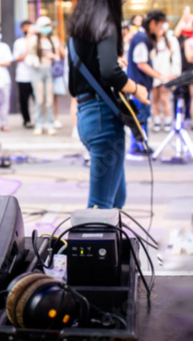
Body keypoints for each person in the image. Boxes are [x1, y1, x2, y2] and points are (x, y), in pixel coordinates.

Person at [68, 0, 149, 209]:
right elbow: (109, 71)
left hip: (87, 116)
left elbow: (74, 85)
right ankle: (88, 242)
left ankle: (107, 241)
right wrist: (136, 88)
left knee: (115, 200)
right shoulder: (106, 25)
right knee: (100, 207)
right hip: (103, 120)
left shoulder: (79, 29)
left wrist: (110, 63)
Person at [127, 10, 175, 156]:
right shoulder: (142, 38)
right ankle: (139, 146)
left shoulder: (144, 38)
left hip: (140, 86)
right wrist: (161, 77)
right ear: (153, 23)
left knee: (142, 117)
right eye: (160, 26)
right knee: (140, 117)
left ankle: (142, 145)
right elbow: (141, 63)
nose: (161, 30)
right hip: (138, 86)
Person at [26, 16, 61, 136]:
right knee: (39, 99)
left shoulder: (54, 39)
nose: (47, 28)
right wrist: (30, 34)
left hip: (49, 71)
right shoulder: (34, 40)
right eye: (44, 26)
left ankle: (50, 124)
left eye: (48, 25)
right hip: (37, 70)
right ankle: (39, 124)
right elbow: (27, 54)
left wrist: (52, 55)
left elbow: (58, 56)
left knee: (50, 100)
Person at [150, 25, 181, 132]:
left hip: (166, 74)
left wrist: (174, 74)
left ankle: (168, 120)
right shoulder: (150, 41)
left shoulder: (171, 40)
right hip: (153, 74)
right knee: (154, 99)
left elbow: (176, 59)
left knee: (165, 98)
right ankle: (157, 121)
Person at [13, 20, 35, 128]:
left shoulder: (37, 40)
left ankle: (39, 120)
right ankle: (27, 120)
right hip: (23, 76)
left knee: (38, 100)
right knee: (24, 101)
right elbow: (17, 58)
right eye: (26, 28)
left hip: (35, 76)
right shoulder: (19, 42)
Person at [174, 7, 193, 126]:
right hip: (187, 69)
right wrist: (184, 17)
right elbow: (189, 57)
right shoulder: (186, 40)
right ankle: (188, 118)